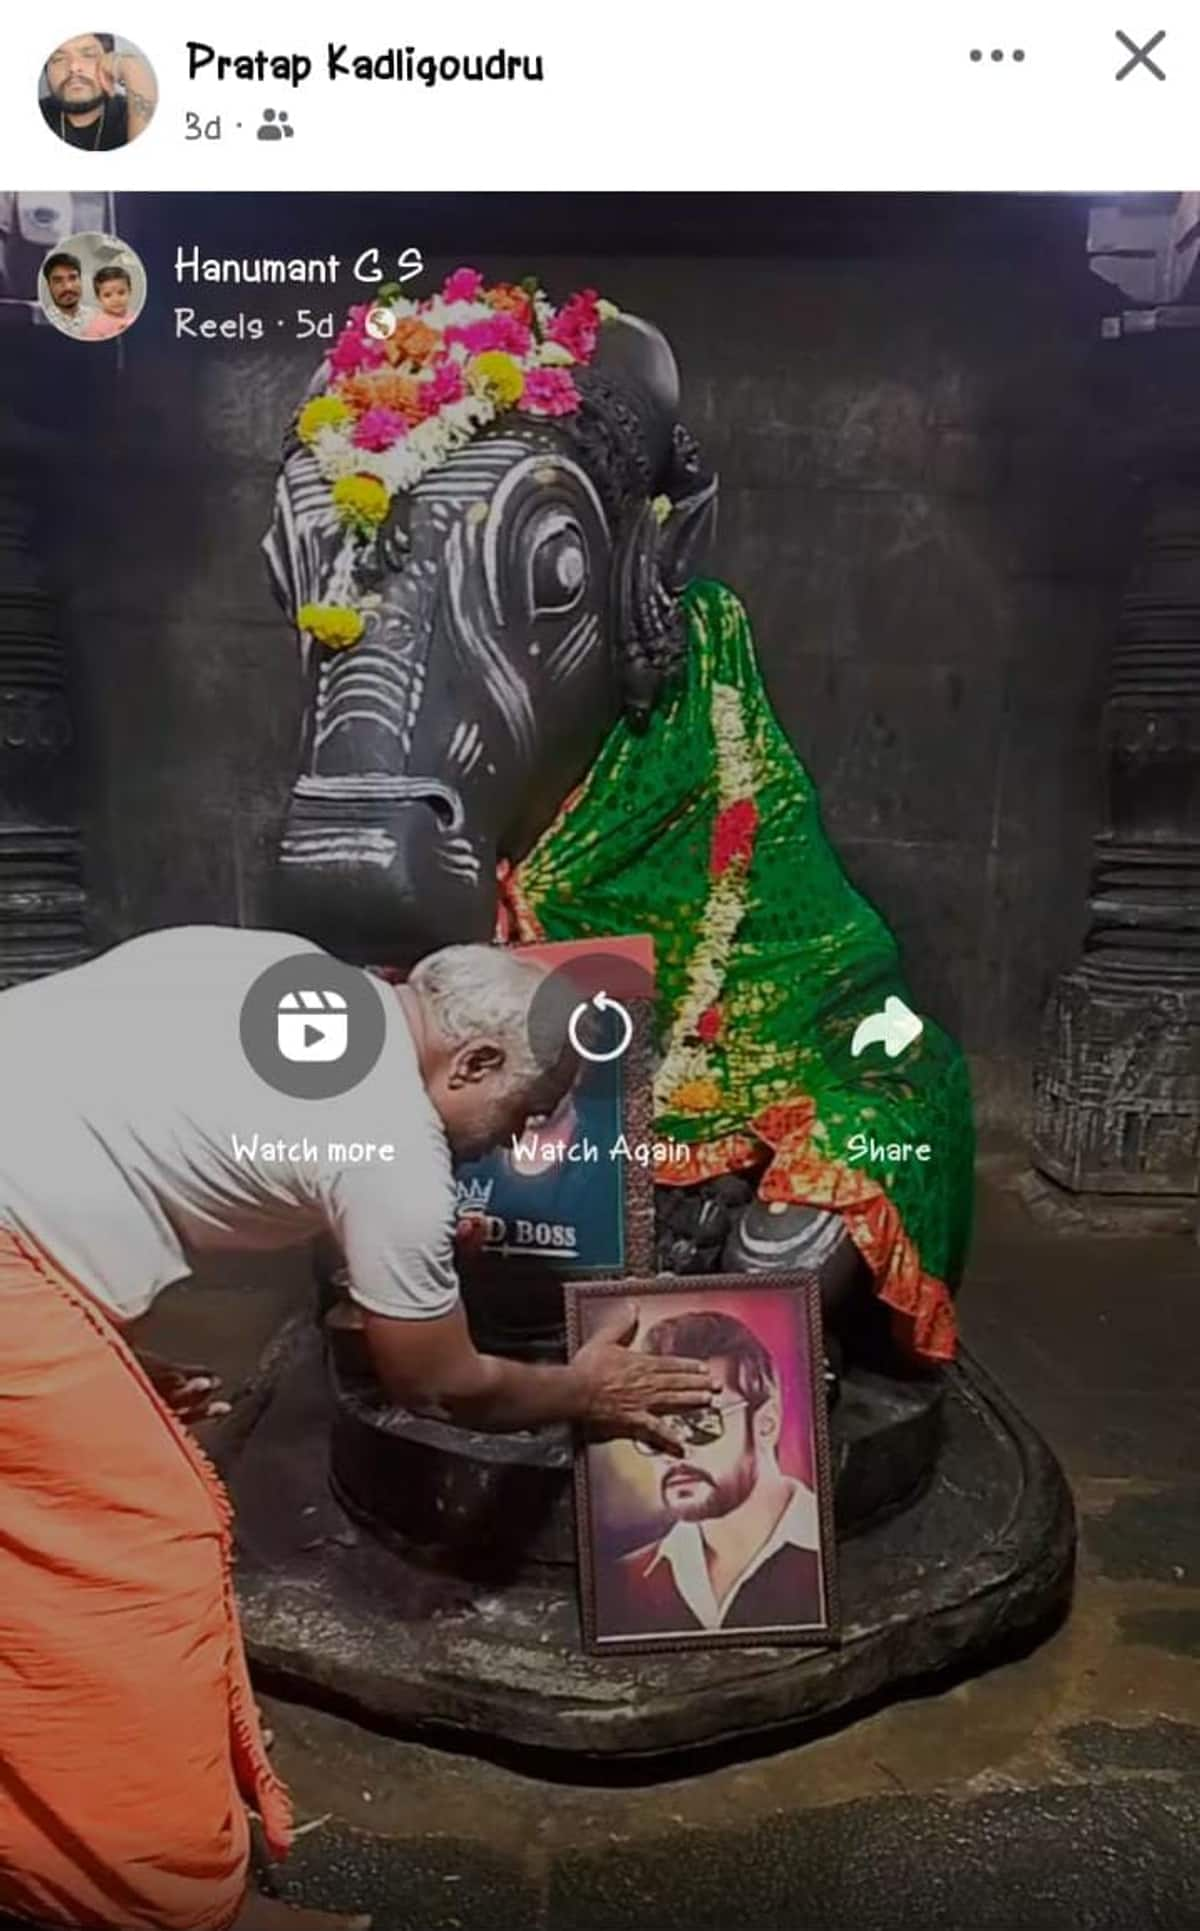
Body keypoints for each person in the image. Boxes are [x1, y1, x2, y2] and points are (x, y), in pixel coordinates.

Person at [0, 926, 715, 1931]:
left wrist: (85, 1354)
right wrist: (587, 1388)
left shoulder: (292, 969)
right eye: (524, 1107)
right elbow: (437, 1380)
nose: (516, 1141)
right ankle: (162, 1896)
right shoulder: (390, 1143)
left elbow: (102, 1109)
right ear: (471, 1059)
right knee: (143, 1543)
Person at [595, 1309, 825, 1637]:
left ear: (767, 1423)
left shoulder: (829, 1554)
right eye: (654, 1427)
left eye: (701, 1422)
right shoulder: (627, 1580)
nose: (672, 1450)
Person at [40, 33, 157, 151]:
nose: (73, 67)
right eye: (58, 59)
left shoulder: (129, 114)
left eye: (88, 55)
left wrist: (133, 70)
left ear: (109, 62)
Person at [42, 250, 95, 336]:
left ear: (80, 280)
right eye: (58, 281)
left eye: (73, 278)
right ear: (49, 286)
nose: (67, 287)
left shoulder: (96, 316)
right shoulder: (43, 322)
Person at [83, 262, 136, 339]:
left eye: (121, 292)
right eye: (107, 295)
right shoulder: (96, 327)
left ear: (130, 291)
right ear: (99, 298)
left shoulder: (133, 315)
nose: (116, 299)